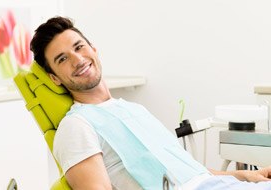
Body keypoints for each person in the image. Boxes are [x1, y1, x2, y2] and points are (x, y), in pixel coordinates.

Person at [30, 16, 271, 190]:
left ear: (94, 49)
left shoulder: (134, 109)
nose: (78, 59)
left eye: (79, 47)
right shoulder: (76, 126)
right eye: (62, 59)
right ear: (54, 78)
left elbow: (188, 170)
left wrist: (244, 176)